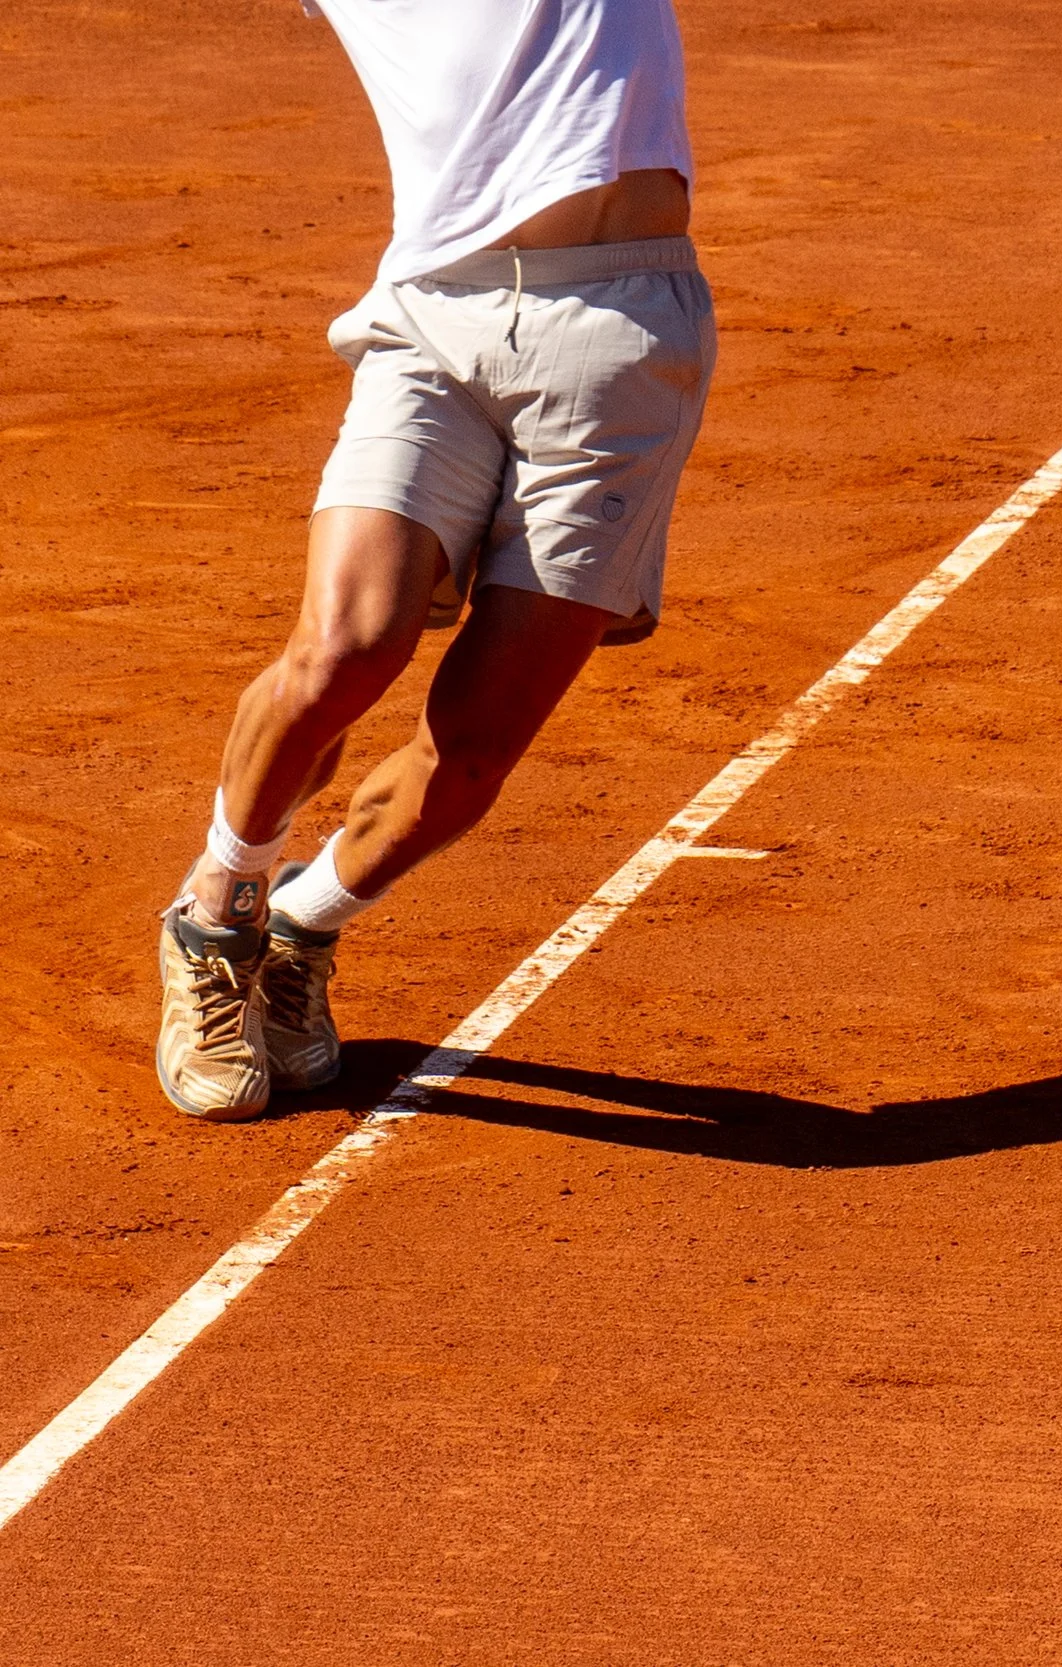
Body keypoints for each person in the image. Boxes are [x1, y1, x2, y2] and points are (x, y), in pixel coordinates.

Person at [156, 0, 716, 1121]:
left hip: (623, 338)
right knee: (345, 649)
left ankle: (304, 930)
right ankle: (217, 913)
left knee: (469, 754)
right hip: (431, 317)